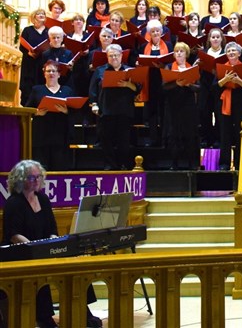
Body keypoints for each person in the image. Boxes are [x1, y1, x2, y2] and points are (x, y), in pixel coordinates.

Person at [2, 160, 102, 328]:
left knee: (74, 264)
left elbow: (52, 228)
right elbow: (14, 235)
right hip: (19, 252)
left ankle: (82, 312)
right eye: (31, 177)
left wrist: (53, 242)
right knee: (39, 270)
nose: (35, 181)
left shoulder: (42, 198)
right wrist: (37, 248)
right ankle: (44, 318)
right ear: (19, 179)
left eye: (38, 177)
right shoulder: (14, 203)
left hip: (43, 248)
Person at [89, 44, 140, 170]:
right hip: (106, 110)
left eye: (116, 55)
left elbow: (138, 88)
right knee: (106, 140)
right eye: (111, 56)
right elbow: (93, 90)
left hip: (124, 110)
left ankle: (123, 164)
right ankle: (110, 165)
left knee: (124, 141)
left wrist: (128, 85)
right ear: (107, 57)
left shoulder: (129, 70)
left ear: (121, 56)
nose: (114, 58)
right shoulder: (100, 70)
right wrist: (94, 104)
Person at [26, 60, 73, 170]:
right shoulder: (37, 90)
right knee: (41, 168)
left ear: (59, 74)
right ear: (44, 74)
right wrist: (36, 112)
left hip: (60, 136)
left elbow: (74, 111)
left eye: (54, 71)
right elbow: (27, 109)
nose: (51, 73)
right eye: (48, 71)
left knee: (59, 167)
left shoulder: (67, 91)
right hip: (41, 135)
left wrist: (66, 111)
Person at [162, 42, 200, 170]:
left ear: (186, 54)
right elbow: (163, 87)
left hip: (188, 105)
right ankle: (174, 163)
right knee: (173, 134)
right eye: (176, 51)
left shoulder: (192, 68)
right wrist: (177, 84)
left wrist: (188, 84)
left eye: (181, 51)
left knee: (189, 134)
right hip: (172, 105)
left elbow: (199, 88)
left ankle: (190, 163)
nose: (178, 53)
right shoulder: (168, 67)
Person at [214, 42, 242, 170]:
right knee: (225, 133)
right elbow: (215, 87)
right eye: (228, 51)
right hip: (225, 102)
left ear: (239, 53)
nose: (231, 52)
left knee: (240, 133)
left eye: (234, 50)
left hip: (241, 103)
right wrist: (225, 80)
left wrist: (238, 81)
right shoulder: (221, 67)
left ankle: (241, 163)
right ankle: (224, 163)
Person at [196, 27, 226, 148]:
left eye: (217, 37)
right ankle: (206, 138)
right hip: (205, 85)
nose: (215, 39)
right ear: (209, 39)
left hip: (219, 86)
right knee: (205, 112)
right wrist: (199, 64)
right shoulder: (203, 53)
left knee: (219, 113)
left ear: (221, 39)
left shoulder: (225, 53)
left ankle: (217, 139)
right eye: (213, 37)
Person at [18, 8, 48, 106]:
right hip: (29, 62)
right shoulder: (27, 30)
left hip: (43, 62)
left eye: (43, 14)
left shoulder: (48, 31)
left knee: (42, 86)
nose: (41, 15)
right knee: (28, 89)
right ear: (34, 17)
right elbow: (22, 46)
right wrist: (28, 52)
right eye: (39, 14)